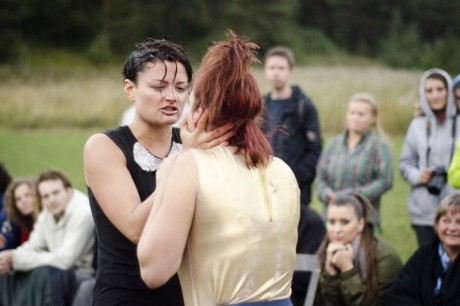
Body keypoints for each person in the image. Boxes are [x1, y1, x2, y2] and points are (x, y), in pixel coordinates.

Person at [137, 30, 300, 306]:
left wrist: (170, 170)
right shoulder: (283, 170)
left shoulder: (189, 165)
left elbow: (153, 271)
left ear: (200, 113)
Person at [84, 37, 232, 305]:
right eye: (158, 86)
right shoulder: (104, 147)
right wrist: (185, 158)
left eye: (180, 87)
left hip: (189, 295)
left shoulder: (192, 141)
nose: (171, 97)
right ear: (130, 89)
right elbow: (136, 228)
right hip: (127, 295)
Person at [261, 46, 325, 306]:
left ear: (289, 71)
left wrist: (294, 178)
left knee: (295, 249)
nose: (276, 73)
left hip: (297, 193)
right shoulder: (261, 105)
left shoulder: (303, 106)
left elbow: (315, 149)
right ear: (266, 71)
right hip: (265, 193)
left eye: (281, 68)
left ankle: (296, 297)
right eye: (272, 67)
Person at [0, 168, 95, 306]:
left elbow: (65, 260)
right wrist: (10, 257)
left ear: (68, 191)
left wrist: (16, 259)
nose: (51, 200)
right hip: (58, 270)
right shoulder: (47, 213)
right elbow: (32, 245)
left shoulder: (83, 212)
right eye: (45, 196)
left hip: (83, 273)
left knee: (43, 274)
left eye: (56, 193)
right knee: (7, 273)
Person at [399, 68, 460, 246]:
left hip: (456, 207)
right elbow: (405, 162)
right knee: (428, 263)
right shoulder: (417, 124)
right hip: (423, 208)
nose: (435, 95)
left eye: (440, 89)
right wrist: (418, 175)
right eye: (429, 90)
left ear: (449, 91)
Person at [316, 93, 393, 231]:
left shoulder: (378, 145)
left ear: (373, 118)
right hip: (332, 221)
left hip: (364, 220)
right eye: (352, 113)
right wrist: (327, 194)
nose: (355, 118)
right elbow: (320, 178)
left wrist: (354, 197)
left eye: (361, 114)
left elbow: (385, 180)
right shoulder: (333, 144)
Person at [317, 194, 402, 306]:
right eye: (332, 222)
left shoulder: (386, 257)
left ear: (360, 224)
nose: (336, 230)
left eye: (345, 222)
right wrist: (330, 274)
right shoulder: (326, 250)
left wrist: (347, 270)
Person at [385, 193, 460, 305]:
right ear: (436, 224)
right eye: (446, 221)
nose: (452, 228)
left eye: (459, 222)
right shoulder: (425, 254)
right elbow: (400, 295)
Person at [0, 178, 40, 251]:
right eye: (18, 199)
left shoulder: (48, 219)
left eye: (27, 195)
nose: (23, 201)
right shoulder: (21, 224)